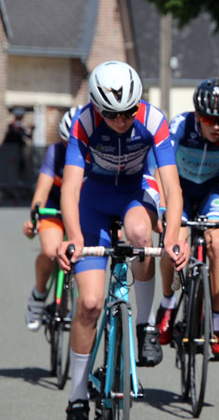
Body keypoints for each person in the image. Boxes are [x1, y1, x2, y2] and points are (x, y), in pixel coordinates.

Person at [56, 61, 190, 420]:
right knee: (89, 303)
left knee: (140, 234)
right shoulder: (84, 124)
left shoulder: (154, 120)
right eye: (113, 114)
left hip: (134, 193)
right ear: (98, 108)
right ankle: (78, 394)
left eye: (129, 111)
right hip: (94, 201)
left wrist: (174, 237)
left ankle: (144, 325)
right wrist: (73, 238)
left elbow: (173, 191)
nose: (123, 120)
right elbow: (69, 189)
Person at [155, 78, 219, 359]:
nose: (217, 126)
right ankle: (167, 305)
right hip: (178, 188)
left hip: (211, 189)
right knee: (174, 241)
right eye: (208, 119)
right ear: (197, 115)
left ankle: (217, 326)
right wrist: (162, 208)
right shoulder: (180, 125)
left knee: (217, 243)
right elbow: (159, 166)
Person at [22, 106, 79, 331]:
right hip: (54, 209)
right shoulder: (55, 153)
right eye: (66, 142)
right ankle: (38, 294)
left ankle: (74, 305)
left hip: (81, 209)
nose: (69, 148)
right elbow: (41, 192)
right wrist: (34, 219)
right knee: (50, 251)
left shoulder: (95, 154)